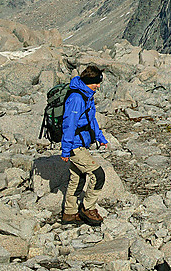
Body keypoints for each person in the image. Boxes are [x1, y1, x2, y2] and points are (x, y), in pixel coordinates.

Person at [60, 65, 109, 226]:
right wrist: (66, 150)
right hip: (75, 145)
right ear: (89, 81)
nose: (98, 86)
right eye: (96, 83)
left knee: (77, 178)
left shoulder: (87, 95)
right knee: (98, 175)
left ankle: (69, 213)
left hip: (82, 142)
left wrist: (100, 137)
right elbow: (69, 124)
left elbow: (91, 119)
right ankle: (88, 208)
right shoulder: (76, 98)